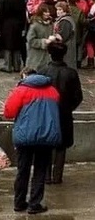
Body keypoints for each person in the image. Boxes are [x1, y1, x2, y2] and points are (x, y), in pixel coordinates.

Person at [3, 68, 62, 214]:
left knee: (23, 170)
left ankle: (19, 202)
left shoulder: (21, 90)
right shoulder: (53, 91)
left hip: (25, 137)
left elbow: (8, 112)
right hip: (46, 137)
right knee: (40, 171)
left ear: (25, 76)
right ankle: (35, 204)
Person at [38, 42, 83, 185]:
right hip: (64, 113)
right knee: (61, 147)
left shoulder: (42, 70)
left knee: (46, 146)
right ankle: (57, 176)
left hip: (46, 113)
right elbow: (78, 96)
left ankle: (46, 176)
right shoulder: (71, 73)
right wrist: (68, 107)